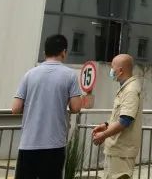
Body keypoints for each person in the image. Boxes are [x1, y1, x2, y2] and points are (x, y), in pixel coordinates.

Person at [11, 35, 93, 179]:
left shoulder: (30, 74)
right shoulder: (69, 75)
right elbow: (75, 108)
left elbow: (15, 108)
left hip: (28, 144)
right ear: (64, 52)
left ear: (45, 52)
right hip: (54, 144)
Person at [92, 54, 143, 179]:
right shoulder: (125, 88)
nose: (111, 70)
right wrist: (106, 125)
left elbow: (125, 121)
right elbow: (120, 117)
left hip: (122, 152)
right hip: (117, 150)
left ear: (120, 70)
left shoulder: (130, 90)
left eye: (112, 67)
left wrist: (103, 135)